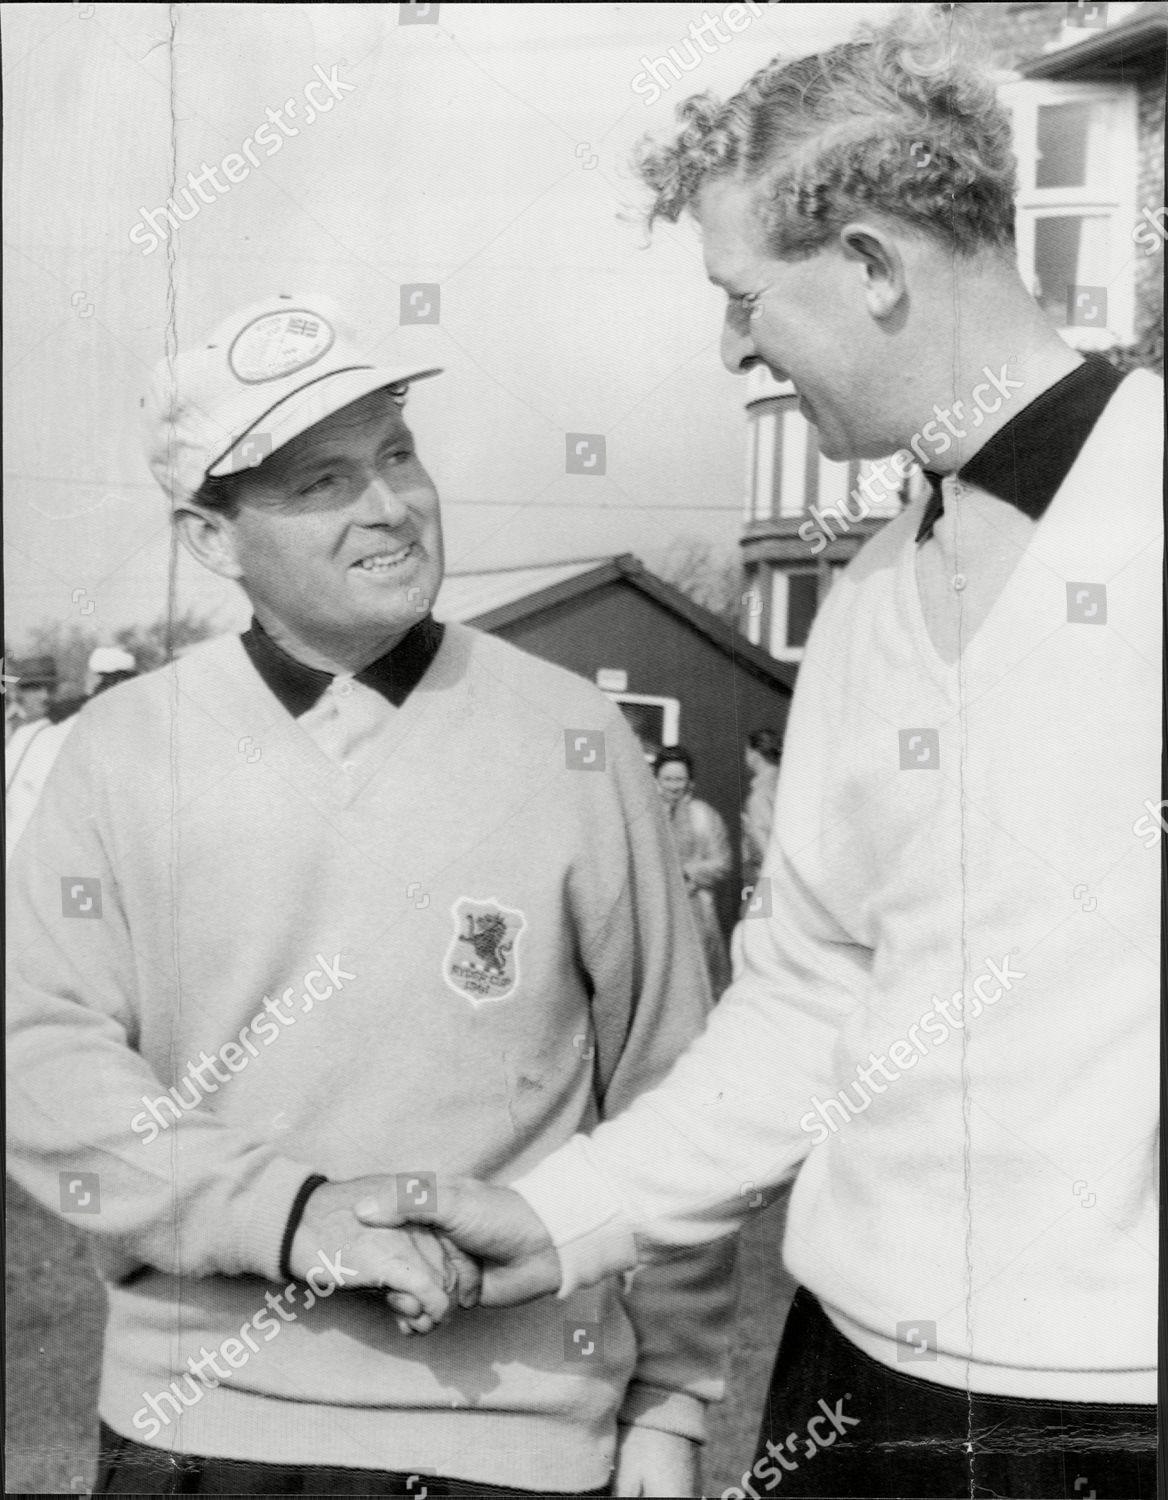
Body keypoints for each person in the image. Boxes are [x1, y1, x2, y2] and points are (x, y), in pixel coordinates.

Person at [359, 10, 1161, 1497]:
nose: (730, 345)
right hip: (853, 1385)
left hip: (1116, 1421)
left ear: (868, 265)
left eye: (743, 297)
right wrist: (562, 1215)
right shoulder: (863, 598)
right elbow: (809, 996)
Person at [6, 293, 732, 1497]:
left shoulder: (572, 737)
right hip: (203, 1428)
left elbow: (673, 1081)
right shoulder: (122, 750)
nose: (391, 504)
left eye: (398, 452)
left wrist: (672, 1398)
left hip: (517, 1440)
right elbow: (43, 1061)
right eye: (323, 482)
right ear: (210, 536)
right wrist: (292, 1219)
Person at [6, 647, 139, 864]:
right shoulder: (22, 732)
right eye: (35, 687)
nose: (44, 696)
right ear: (18, 692)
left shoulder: (62, 728)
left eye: (50, 687)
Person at [653, 747, 732, 997]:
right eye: (668, 779)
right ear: (656, 780)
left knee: (695, 981)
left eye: (680, 779)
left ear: (690, 782)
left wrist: (688, 872)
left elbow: (723, 862)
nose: (674, 786)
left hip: (694, 909)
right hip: (653, 908)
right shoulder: (645, 815)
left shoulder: (704, 815)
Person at [739, 728, 782, 899]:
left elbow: (762, 842)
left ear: (754, 754)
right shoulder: (784, 783)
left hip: (762, 876)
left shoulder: (759, 796)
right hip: (782, 879)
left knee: (756, 921)